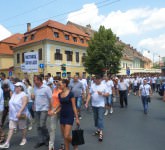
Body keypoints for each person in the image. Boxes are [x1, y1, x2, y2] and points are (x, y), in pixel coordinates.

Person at [0, 82, 29, 149]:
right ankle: (7, 143)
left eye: (16, 86)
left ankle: (24, 139)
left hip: (20, 114)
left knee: (23, 127)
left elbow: (24, 104)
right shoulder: (14, 94)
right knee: (11, 128)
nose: (15, 87)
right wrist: (10, 110)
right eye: (15, 86)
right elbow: (11, 102)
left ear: (20, 87)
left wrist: (20, 112)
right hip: (13, 115)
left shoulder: (23, 94)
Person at [85, 75, 109, 142]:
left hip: (101, 105)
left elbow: (108, 94)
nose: (97, 80)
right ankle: (98, 130)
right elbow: (90, 94)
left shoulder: (104, 85)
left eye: (98, 79)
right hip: (94, 105)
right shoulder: (93, 85)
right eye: (96, 79)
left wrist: (102, 94)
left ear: (100, 79)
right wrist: (87, 102)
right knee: (95, 118)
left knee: (100, 118)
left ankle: (101, 133)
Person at [58, 79, 80, 150]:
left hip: (69, 116)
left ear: (64, 84)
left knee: (66, 135)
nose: (58, 86)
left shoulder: (71, 94)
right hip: (62, 115)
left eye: (60, 84)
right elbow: (60, 105)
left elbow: (74, 106)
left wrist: (77, 118)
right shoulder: (59, 94)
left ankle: (75, 143)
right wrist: (54, 111)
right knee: (64, 137)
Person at [32, 75, 52, 149]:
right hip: (36, 109)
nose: (34, 81)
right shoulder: (35, 88)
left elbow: (50, 99)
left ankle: (47, 138)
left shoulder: (46, 88)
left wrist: (50, 109)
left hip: (44, 109)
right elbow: (34, 97)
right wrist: (33, 101)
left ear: (39, 80)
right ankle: (41, 141)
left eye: (35, 80)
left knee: (42, 125)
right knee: (38, 126)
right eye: (34, 80)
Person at [48, 79, 62, 150]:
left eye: (57, 81)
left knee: (62, 129)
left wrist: (54, 110)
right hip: (53, 109)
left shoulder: (62, 90)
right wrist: (50, 109)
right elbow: (52, 100)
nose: (55, 83)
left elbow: (61, 103)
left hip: (61, 110)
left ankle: (63, 144)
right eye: (54, 81)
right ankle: (51, 146)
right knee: (52, 128)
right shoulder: (54, 89)